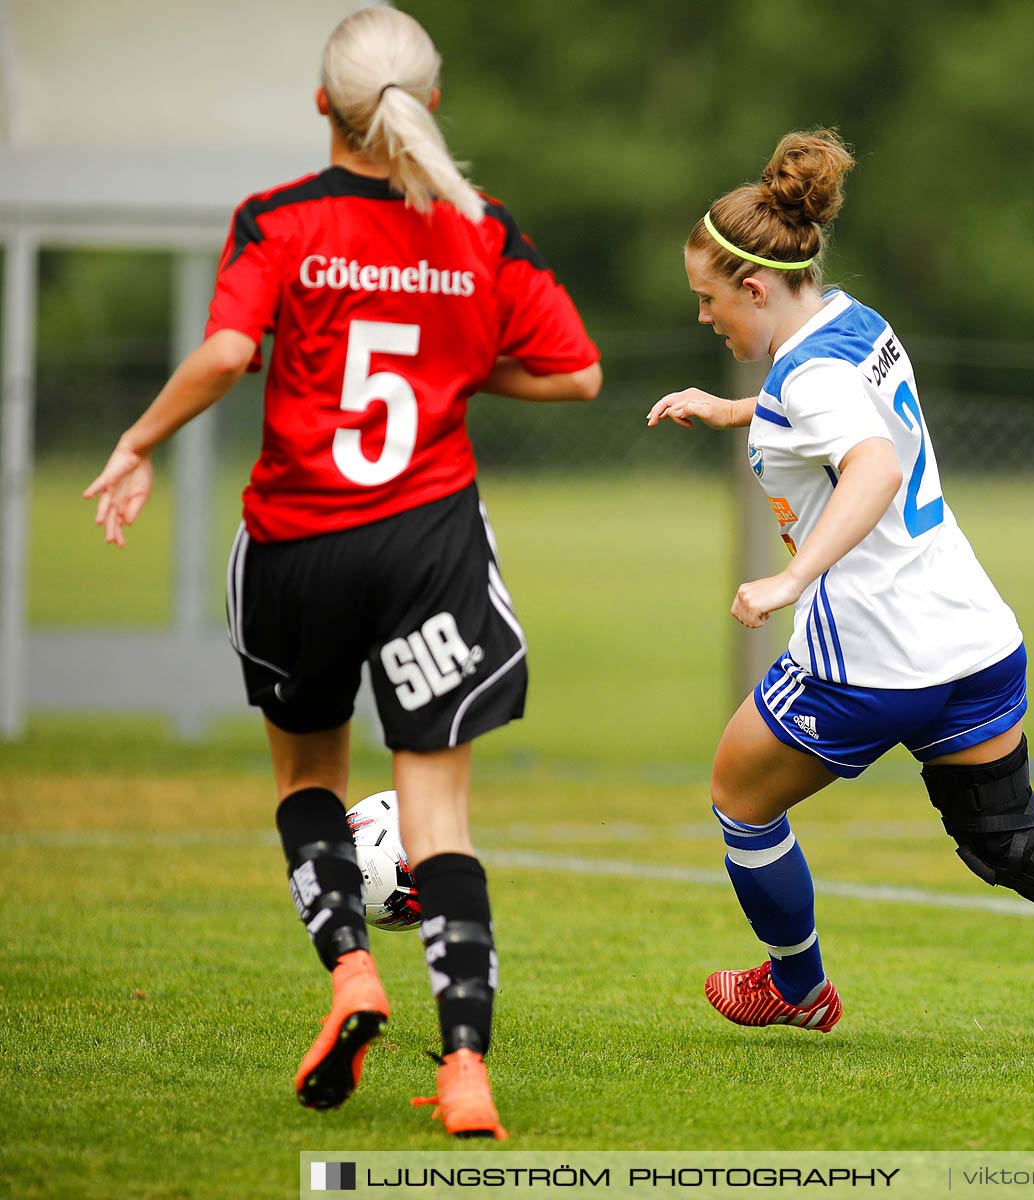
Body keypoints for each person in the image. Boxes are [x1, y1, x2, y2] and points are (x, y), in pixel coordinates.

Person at [82, 7, 600, 1139]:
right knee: (439, 812)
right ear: (433, 104)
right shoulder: (482, 230)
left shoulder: (280, 219)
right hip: (427, 546)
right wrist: (449, 374)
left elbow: (227, 351)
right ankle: (465, 1070)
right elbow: (578, 376)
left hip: (299, 543)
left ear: (324, 105)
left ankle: (352, 976)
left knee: (309, 777)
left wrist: (137, 445)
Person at [646, 129, 1034, 1073]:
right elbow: (840, 414)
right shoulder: (857, 324)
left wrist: (793, 578)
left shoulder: (808, 373)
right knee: (1005, 834)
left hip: (871, 657)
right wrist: (733, 409)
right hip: (972, 636)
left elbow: (868, 461)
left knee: (738, 797)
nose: (705, 318)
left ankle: (796, 988)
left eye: (707, 300)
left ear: (755, 288)